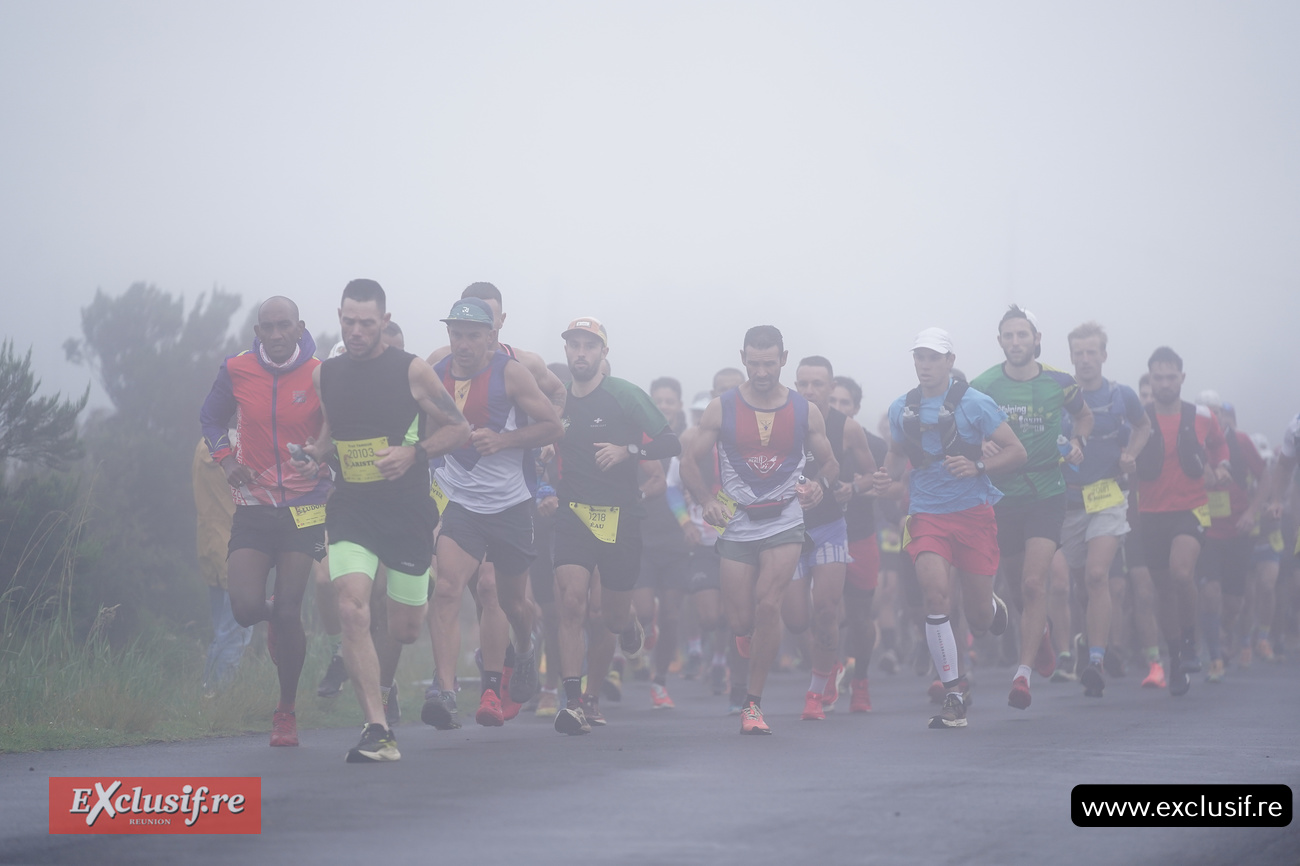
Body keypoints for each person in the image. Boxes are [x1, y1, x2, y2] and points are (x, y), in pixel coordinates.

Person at [306, 279, 470, 762]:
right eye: (348, 322)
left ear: (384, 320)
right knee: (352, 607)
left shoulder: (412, 371)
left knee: (404, 629)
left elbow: (459, 428)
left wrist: (413, 452)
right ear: (339, 316)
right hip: (352, 507)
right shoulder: (327, 374)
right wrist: (312, 454)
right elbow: (329, 435)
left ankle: (389, 691)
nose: (356, 331)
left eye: (366, 323)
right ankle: (377, 729)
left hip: (406, 509)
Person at [680, 326, 838, 735]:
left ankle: (752, 704)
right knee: (739, 621)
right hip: (736, 522)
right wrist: (705, 501)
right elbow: (688, 461)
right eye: (754, 362)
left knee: (770, 605)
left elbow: (830, 462)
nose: (762, 371)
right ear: (743, 358)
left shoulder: (805, 410)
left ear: (783, 359)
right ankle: (747, 637)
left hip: (785, 518)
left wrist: (819, 483)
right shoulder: (722, 407)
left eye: (770, 362)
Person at [873, 327, 1024, 728]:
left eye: (933, 358)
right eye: (919, 357)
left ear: (949, 362)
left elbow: (1016, 451)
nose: (925, 365)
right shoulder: (900, 408)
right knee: (935, 597)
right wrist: (882, 481)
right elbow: (893, 456)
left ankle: (991, 605)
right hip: (925, 516)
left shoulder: (976, 404)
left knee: (976, 617)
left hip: (973, 515)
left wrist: (978, 465)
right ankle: (954, 694)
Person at [424, 298, 564, 728]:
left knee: (512, 602)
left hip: (510, 505)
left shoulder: (513, 373)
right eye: (455, 334)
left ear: (491, 336)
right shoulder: (437, 372)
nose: (462, 344)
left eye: (471, 336)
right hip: (462, 502)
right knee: (447, 588)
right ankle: (446, 692)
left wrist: (503, 442)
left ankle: (524, 650)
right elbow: (425, 429)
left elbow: (554, 426)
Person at [199, 296, 331, 747]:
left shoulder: (318, 373)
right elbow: (210, 417)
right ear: (257, 331)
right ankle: (275, 619)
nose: (275, 335)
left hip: (305, 503)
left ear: (300, 328)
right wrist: (224, 459)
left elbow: (338, 429)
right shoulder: (236, 368)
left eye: (284, 326)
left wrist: (322, 457)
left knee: (292, 609)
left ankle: (286, 711)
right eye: (267, 327)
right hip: (253, 504)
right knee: (245, 609)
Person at [550, 317, 681, 734]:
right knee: (571, 603)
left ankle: (623, 634)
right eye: (575, 345)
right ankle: (573, 702)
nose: (581, 353)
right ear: (567, 351)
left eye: (590, 346)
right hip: (572, 514)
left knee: (608, 615)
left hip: (619, 518)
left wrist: (629, 450)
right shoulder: (557, 399)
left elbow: (669, 442)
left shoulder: (623, 394)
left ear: (604, 353)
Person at [970, 306, 1093, 711]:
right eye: (1009, 336)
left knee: (1033, 584)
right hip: (1002, 494)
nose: (1016, 342)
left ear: (1036, 339)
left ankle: (1021, 676)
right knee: (1014, 586)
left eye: (1023, 335)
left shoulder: (1060, 382)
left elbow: (1084, 416)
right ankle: (1038, 635)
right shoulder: (984, 385)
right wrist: (980, 445)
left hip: (1046, 489)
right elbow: (965, 430)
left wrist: (1079, 442)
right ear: (1000, 341)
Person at [1051, 322, 1151, 697]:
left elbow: (1144, 427)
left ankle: (1095, 660)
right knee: (1080, 585)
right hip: (1070, 500)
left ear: (1104, 356)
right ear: (1072, 356)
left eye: (1092, 352)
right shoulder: (1059, 396)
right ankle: (1089, 641)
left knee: (1097, 576)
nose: (1086, 359)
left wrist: (1130, 455)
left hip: (1109, 495)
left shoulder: (1121, 395)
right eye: (1079, 353)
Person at [1133, 346, 1229, 696]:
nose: (1164, 383)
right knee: (1163, 590)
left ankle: (1190, 641)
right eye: (1158, 377)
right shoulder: (1140, 418)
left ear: (1182, 378)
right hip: (1151, 513)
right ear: (1150, 379)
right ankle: (1176, 658)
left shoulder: (1201, 415)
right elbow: (1124, 454)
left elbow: (1220, 445)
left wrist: (1222, 468)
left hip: (1192, 509)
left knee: (1181, 573)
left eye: (1171, 377)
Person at [786, 356, 877, 721]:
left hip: (830, 529)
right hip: (787, 528)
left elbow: (874, 475)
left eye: (817, 384)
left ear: (830, 386)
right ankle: (828, 668)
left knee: (827, 610)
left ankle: (818, 688)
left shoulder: (847, 428)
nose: (809, 391)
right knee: (795, 620)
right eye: (802, 384)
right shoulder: (781, 421)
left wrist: (852, 487)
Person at [829, 375, 890, 711]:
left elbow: (886, 485)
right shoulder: (808, 437)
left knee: (859, 617)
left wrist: (859, 487)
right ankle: (829, 669)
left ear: (855, 408)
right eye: (833, 402)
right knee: (818, 611)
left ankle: (861, 680)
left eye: (844, 403)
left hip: (860, 533)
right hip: (820, 534)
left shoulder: (875, 445)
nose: (838, 409)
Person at [191, 437, 251, 693]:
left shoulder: (203, 446)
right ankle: (219, 695)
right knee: (235, 630)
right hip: (236, 549)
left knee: (222, 629)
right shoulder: (241, 450)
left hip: (209, 545)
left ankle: (208, 692)